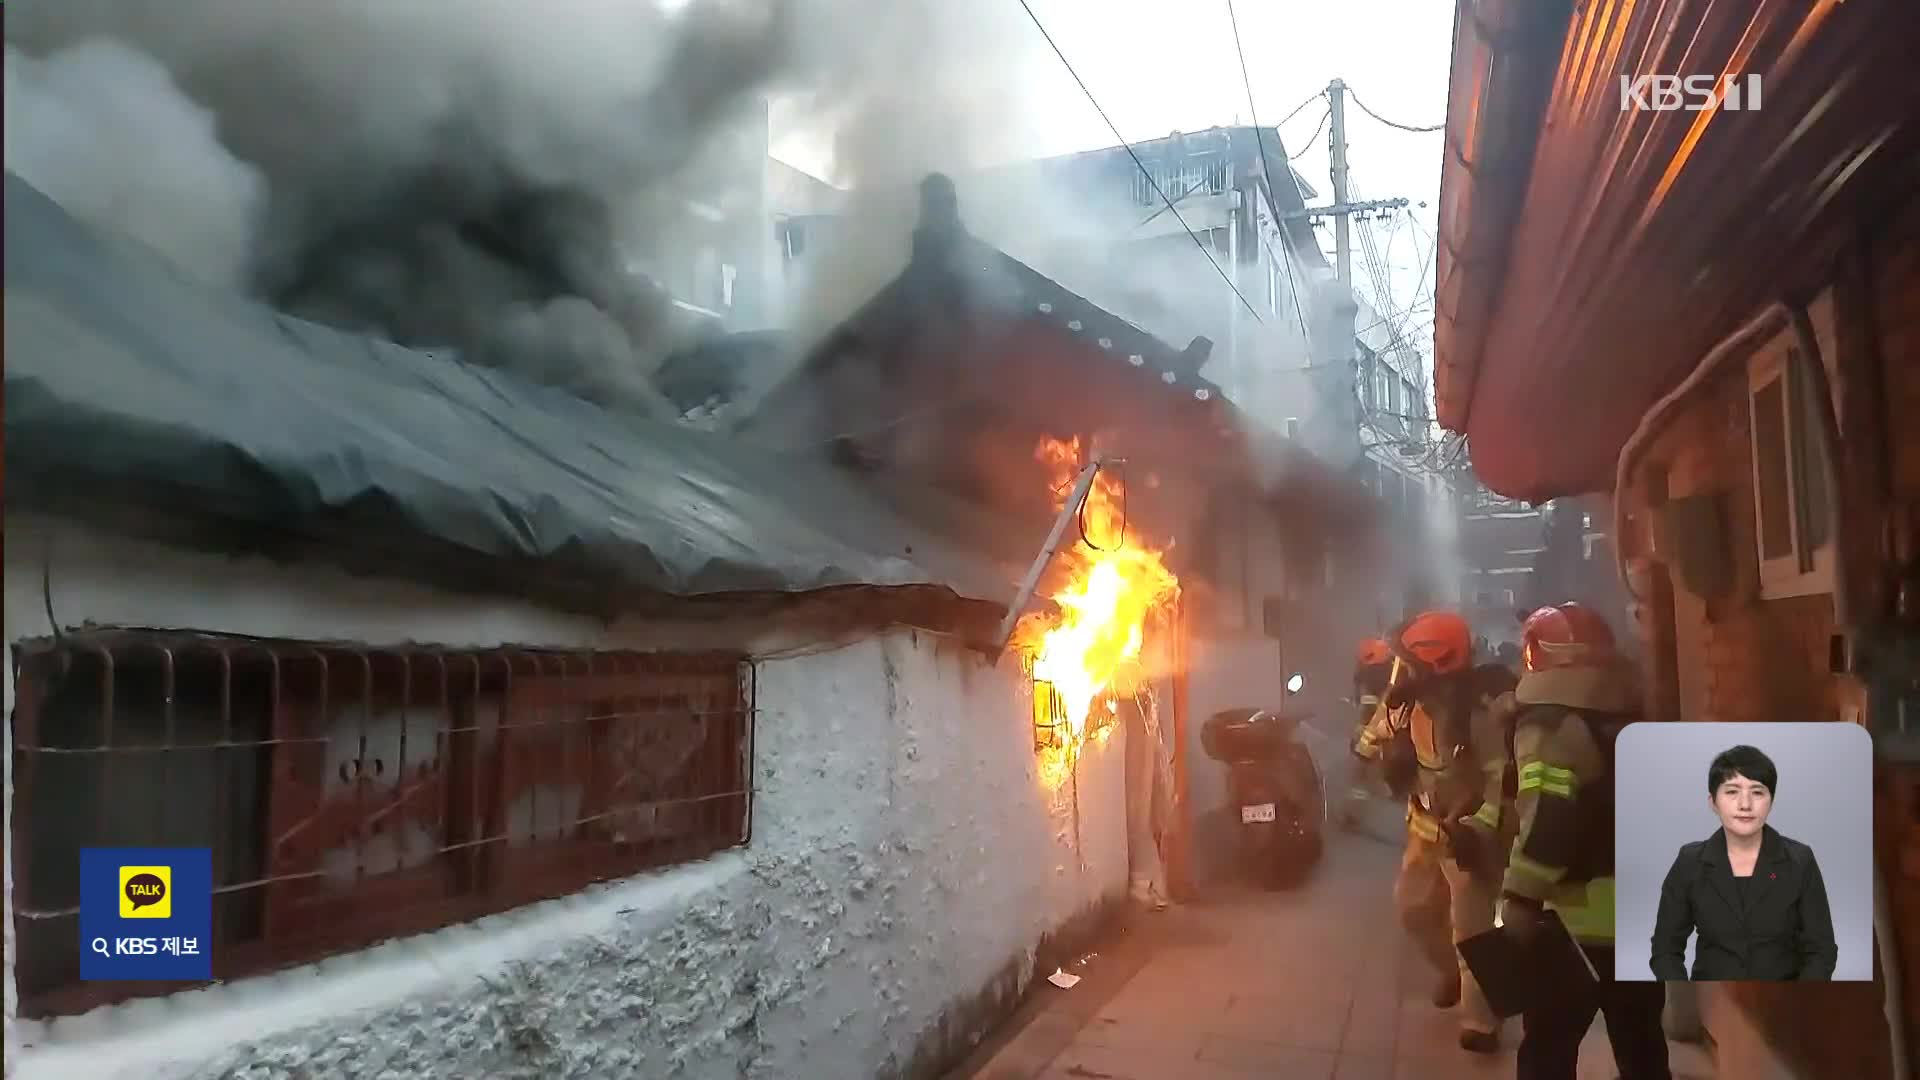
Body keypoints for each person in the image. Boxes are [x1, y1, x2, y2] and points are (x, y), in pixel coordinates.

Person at [1485, 603, 1670, 1080]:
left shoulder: (1547, 727)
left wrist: (1520, 897)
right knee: (1643, 1048)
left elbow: (1548, 822)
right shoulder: (1633, 714)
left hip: (1574, 924)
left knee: (1547, 1050)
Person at [1354, 610, 1512, 1054]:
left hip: (1468, 837)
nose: (1401, 670)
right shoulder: (1405, 702)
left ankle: (1482, 1021)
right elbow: (1371, 738)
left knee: (1472, 932)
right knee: (1413, 909)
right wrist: (1367, 758)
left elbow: (1501, 779)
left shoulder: (1477, 715)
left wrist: (1479, 829)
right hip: (1425, 832)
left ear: (1435, 664)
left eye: (1410, 663)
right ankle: (1452, 974)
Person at [1649, 744, 1838, 981]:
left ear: (1771, 800)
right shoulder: (1690, 862)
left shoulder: (1799, 861)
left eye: (1757, 792)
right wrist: (1687, 998)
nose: (1745, 804)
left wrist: (1797, 1001)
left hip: (1784, 1001)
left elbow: (1822, 950)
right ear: (1712, 801)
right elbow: (1665, 949)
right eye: (1732, 791)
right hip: (1710, 1001)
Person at [1339, 638, 1394, 828]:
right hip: (1378, 737)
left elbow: (1365, 714)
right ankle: (1355, 813)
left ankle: (1354, 814)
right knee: (1365, 778)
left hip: (1371, 738)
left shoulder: (1368, 681)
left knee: (1362, 778)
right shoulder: (1385, 680)